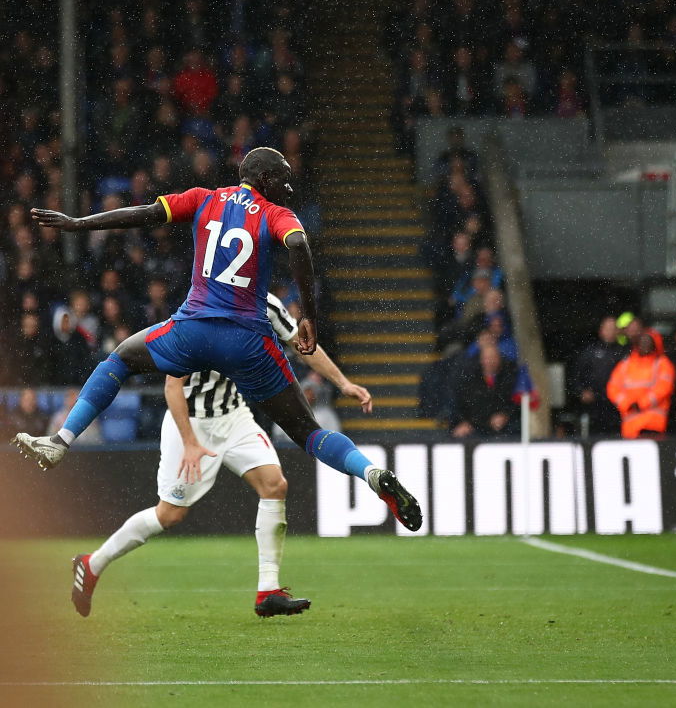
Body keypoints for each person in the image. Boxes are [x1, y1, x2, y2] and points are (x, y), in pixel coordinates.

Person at [16, 148, 423, 609]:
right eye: (282, 179)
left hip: (200, 343)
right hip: (225, 374)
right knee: (307, 434)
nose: (287, 188)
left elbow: (143, 213)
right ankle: (369, 472)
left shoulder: (203, 198)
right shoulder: (274, 217)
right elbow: (298, 247)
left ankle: (62, 439)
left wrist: (77, 224)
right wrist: (311, 313)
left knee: (120, 361)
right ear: (263, 178)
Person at [72, 293, 371, 618]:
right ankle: (92, 563)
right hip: (191, 421)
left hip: (233, 414)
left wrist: (343, 383)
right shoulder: (200, 308)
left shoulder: (266, 305)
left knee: (274, 484)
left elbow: (302, 345)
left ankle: (268, 590)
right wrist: (189, 443)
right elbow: (173, 387)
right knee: (169, 515)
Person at [606, 331, 676, 439]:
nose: (644, 345)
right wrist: (626, 404)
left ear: (655, 344)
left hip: (653, 425)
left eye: (648, 342)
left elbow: (664, 387)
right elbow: (612, 388)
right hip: (630, 428)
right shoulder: (625, 364)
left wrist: (641, 404)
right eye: (642, 341)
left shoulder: (662, 363)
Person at [572, 316, 627, 436]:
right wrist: (581, 392)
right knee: (595, 436)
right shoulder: (590, 352)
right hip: (595, 404)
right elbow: (576, 375)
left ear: (618, 331)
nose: (610, 332)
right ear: (601, 331)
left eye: (613, 329)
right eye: (607, 328)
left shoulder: (624, 353)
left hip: (617, 405)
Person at [450, 344, 518, 438]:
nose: (490, 361)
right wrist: (463, 422)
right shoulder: (469, 379)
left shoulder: (509, 377)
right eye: (487, 358)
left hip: (504, 430)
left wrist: (505, 415)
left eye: (493, 357)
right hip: (475, 429)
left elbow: (515, 403)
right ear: (481, 360)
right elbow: (459, 405)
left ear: (499, 359)